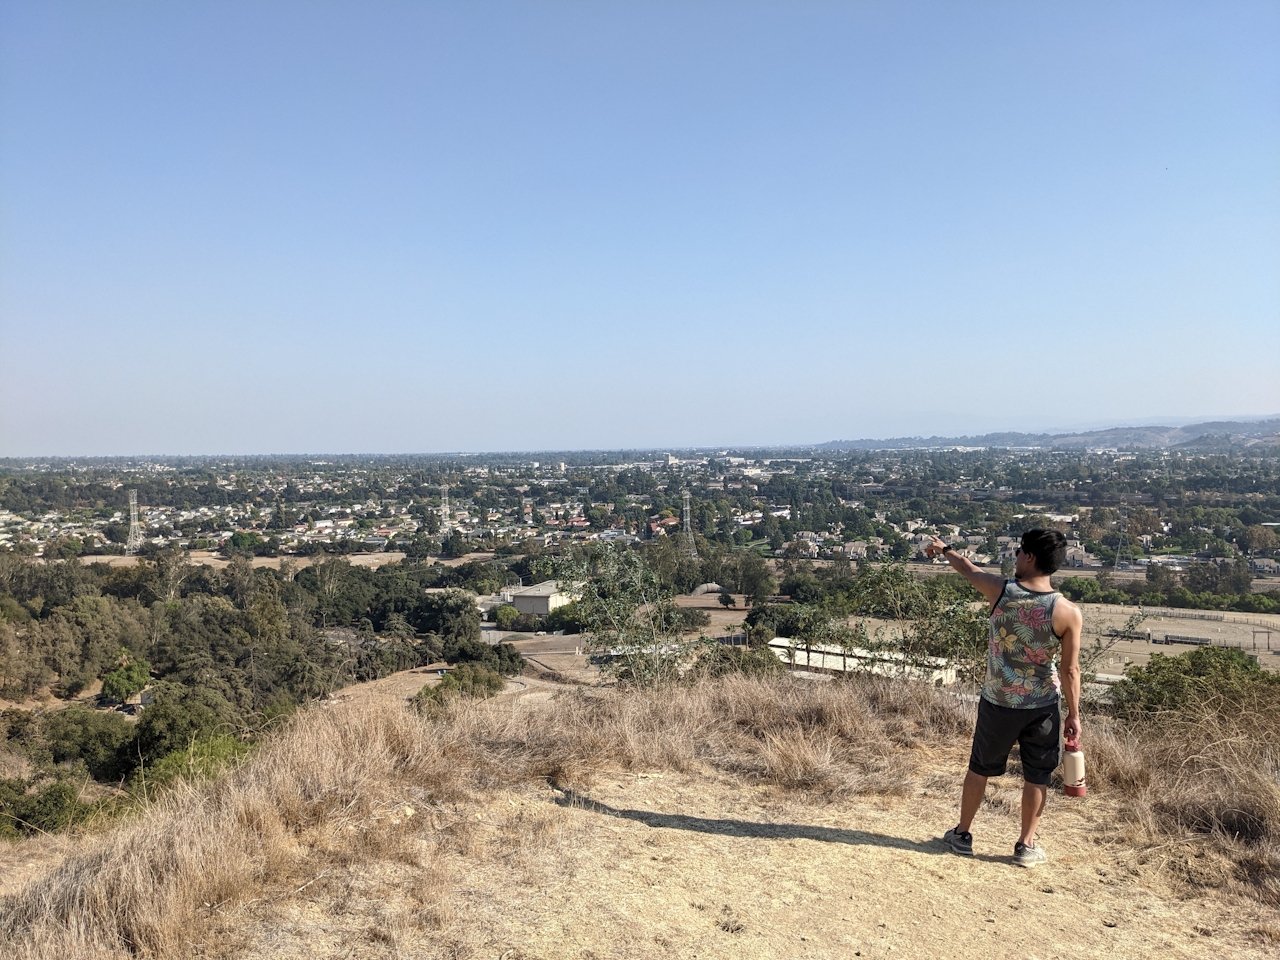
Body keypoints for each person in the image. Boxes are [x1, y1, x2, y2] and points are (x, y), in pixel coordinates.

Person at [925, 529, 1082, 867]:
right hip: (1042, 706)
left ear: (1030, 558)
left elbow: (969, 569)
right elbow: (1071, 671)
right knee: (1037, 775)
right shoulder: (1068, 612)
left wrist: (944, 549)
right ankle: (1026, 845)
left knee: (979, 768)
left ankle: (963, 835)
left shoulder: (1001, 592)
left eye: (1019, 552)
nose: (1015, 558)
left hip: (998, 701)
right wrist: (1074, 715)